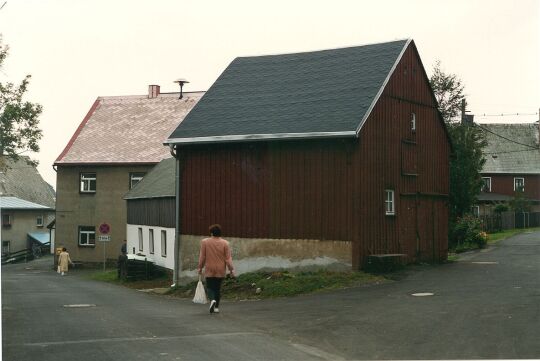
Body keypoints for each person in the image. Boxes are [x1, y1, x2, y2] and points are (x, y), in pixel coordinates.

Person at [197, 224, 235, 314]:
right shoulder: (225, 243)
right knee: (217, 288)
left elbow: (202, 256)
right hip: (221, 268)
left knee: (209, 287)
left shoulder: (205, 242)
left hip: (209, 267)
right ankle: (216, 307)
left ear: (211, 233)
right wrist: (231, 269)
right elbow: (228, 258)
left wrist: (200, 267)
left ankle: (212, 300)